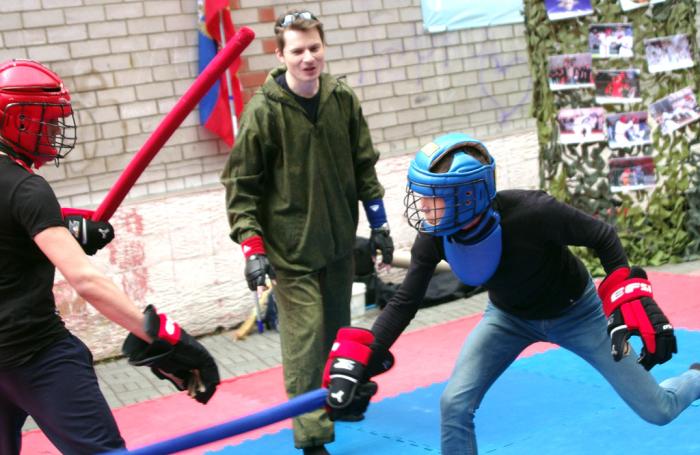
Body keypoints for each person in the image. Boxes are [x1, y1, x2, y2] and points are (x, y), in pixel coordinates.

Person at [324, 132, 700, 454]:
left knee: (658, 411)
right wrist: (364, 354)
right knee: (453, 403)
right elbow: (405, 301)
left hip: (577, 315)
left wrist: (626, 295)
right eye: (421, 195)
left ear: (467, 196)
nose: (423, 207)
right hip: (507, 319)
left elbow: (601, 236)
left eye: (432, 198)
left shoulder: (534, 212)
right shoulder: (435, 236)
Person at [0, 59, 220, 455]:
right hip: (37, 356)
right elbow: (85, 281)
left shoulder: (21, 192)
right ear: (14, 120)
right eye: (42, 120)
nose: (52, 131)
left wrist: (64, 227)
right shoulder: (28, 189)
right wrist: (156, 334)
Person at [219, 9, 393, 455]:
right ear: (281, 54)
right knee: (304, 344)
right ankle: (312, 438)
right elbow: (240, 186)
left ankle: (339, 400)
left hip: (337, 244)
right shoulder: (264, 112)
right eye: (297, 50)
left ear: (324, 48)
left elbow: (364, 164)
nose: (308, 58)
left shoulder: (341, 99)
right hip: (290, 251)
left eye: (314, 47)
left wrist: (380, 224)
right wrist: (252, 248)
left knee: (340, 335)